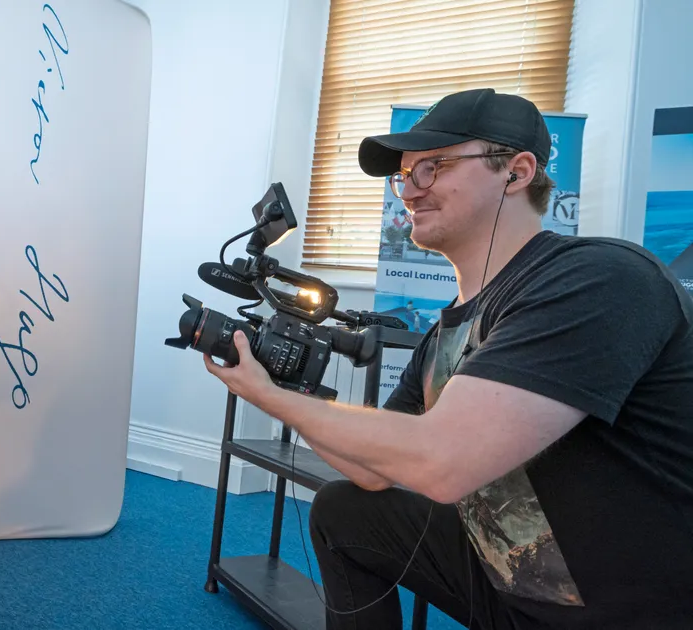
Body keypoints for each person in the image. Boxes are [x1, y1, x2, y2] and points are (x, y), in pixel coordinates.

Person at [203, 88, 693, 628]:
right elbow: (371, 472)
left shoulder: (599, 279)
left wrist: (268, 396)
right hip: (508, 584)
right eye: (405, 175)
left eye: (433, 168)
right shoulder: (447, 331)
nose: (409, 191)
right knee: (346, 511)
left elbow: (441, 464)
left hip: (618, 611)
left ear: (518, 170)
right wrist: (283, 388)